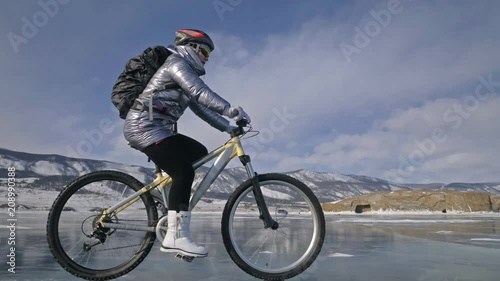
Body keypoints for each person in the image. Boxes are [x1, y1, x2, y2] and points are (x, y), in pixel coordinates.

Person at [123, 29, 250, 258]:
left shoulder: (184, 72)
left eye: (209, 55)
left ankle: (167, 203)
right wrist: (230, 109)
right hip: (144, 127)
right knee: (183, 172)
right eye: (205, 52)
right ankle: (176, 237)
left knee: (199, 152)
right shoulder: (176, 63)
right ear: (191, 47)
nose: (206, 58)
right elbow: (200, 92)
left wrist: (228, 127)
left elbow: (202, 109)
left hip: (158, 129)